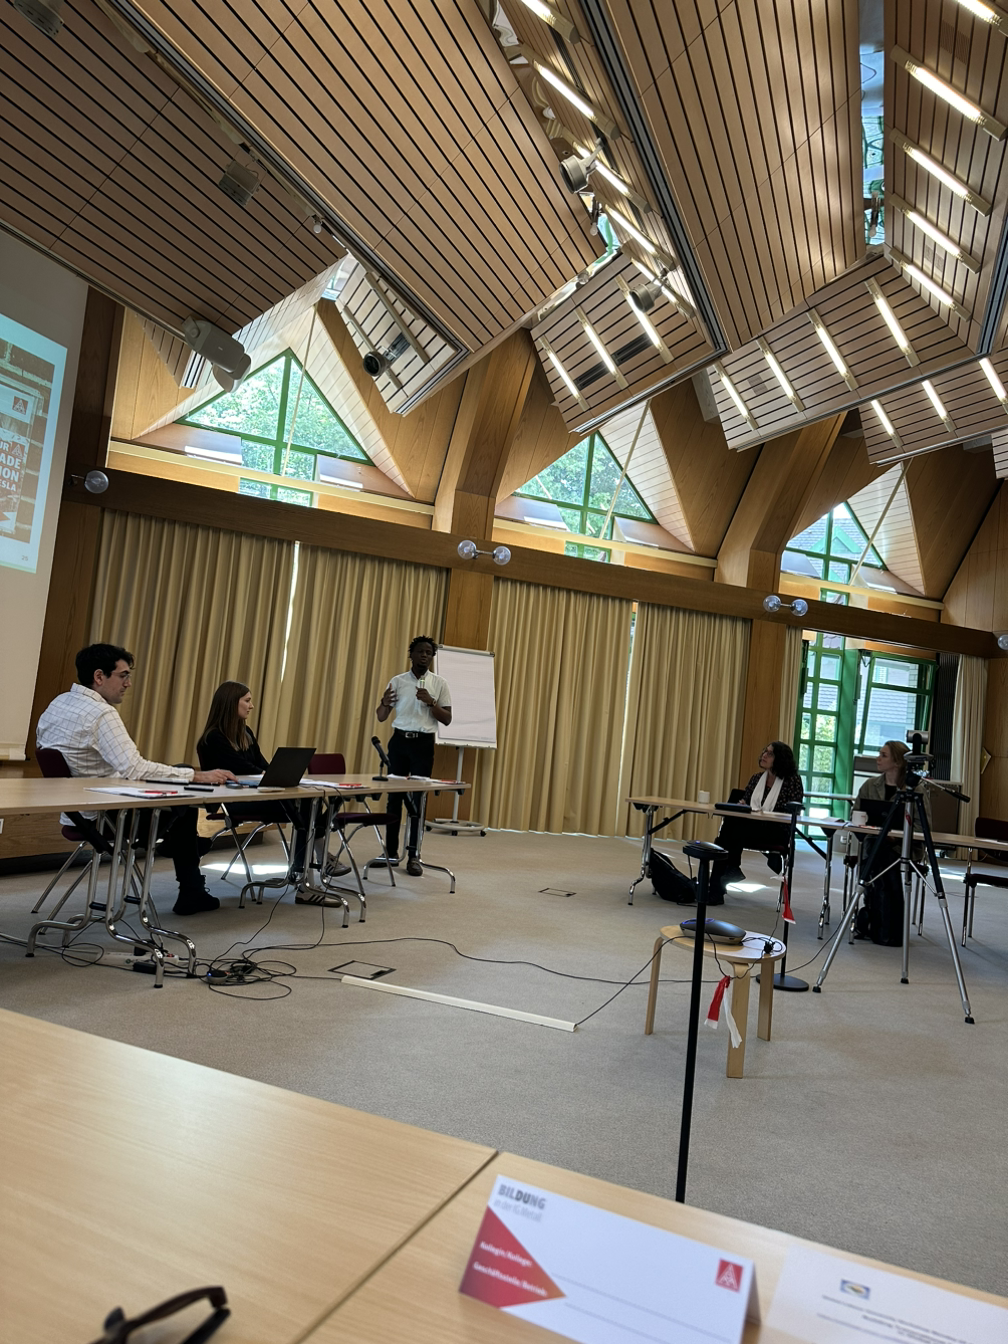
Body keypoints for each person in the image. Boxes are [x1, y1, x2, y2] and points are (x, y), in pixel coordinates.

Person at [36, 643, 234, 916]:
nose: (128, 684)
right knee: (186, 796)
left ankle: (186, 852)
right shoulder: (101, 713)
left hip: (75, 814)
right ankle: (191, 882)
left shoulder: (58, 704)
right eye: (123, 676)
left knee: (179, 794)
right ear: (99, 676)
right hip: (109, 817)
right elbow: (135, 768)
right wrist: (197, 774)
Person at [196, 680, 346, 906]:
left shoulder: (245, 733)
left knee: (309, 802)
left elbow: (261, 764)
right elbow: (242, 769)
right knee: (305, 807)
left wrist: (275, 773)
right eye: (247, 701)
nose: (251, 706)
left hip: (258, 795)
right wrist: (267, 774)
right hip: (235, 801)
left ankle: (305, 875)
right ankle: (314, 868)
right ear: (231, 703)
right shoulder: (213, 738)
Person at [375, 635, 452, 876]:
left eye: (429, 652)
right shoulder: (397, 681)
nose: (424, 655)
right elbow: (381, 716)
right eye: (420, 651)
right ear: (411, 654)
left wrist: (431, 703)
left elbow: (447, 719)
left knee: (418, 801)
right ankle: (390, 852)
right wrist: (384, 703)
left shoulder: (440, 683)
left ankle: (414, 855)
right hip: (399, 742)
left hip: (423, 745)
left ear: (432, 657)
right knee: (394, 799)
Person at [853, 740, 931, 946]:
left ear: (897, 762)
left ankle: (880, 922)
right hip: (873, 843)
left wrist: (896, 837)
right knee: (878, 852)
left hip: (903, 847)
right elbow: (856, 816)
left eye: (883, 755)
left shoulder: (916, 790)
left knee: (880, 856)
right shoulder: (869, 786)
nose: (878, 758)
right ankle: (886, 927)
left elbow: (923, 827)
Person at [708, 742, 804, 901]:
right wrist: (743, 805)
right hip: (751, 828)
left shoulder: (792, 781)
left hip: (777, 830)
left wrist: (762, 812)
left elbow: (793, 811)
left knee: (728, 833)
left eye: (770, 754)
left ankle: (718, 886)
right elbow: (747, 802)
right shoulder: (757, 778)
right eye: (764, 751)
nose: (764, 755)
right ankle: (724, 879)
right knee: (728, 832)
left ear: (781, 759)